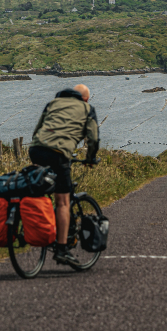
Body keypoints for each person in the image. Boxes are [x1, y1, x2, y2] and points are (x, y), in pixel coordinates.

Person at [29, 83, 99, 265]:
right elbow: (93, 138)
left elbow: (37, 130)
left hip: (36, 150)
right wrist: (90, 158)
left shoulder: (52, 103)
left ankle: (36, 226)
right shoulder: (87, 108)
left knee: (39, 187)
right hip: (59, 154)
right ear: (86, 98)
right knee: (63, 201)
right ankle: (61, 249)